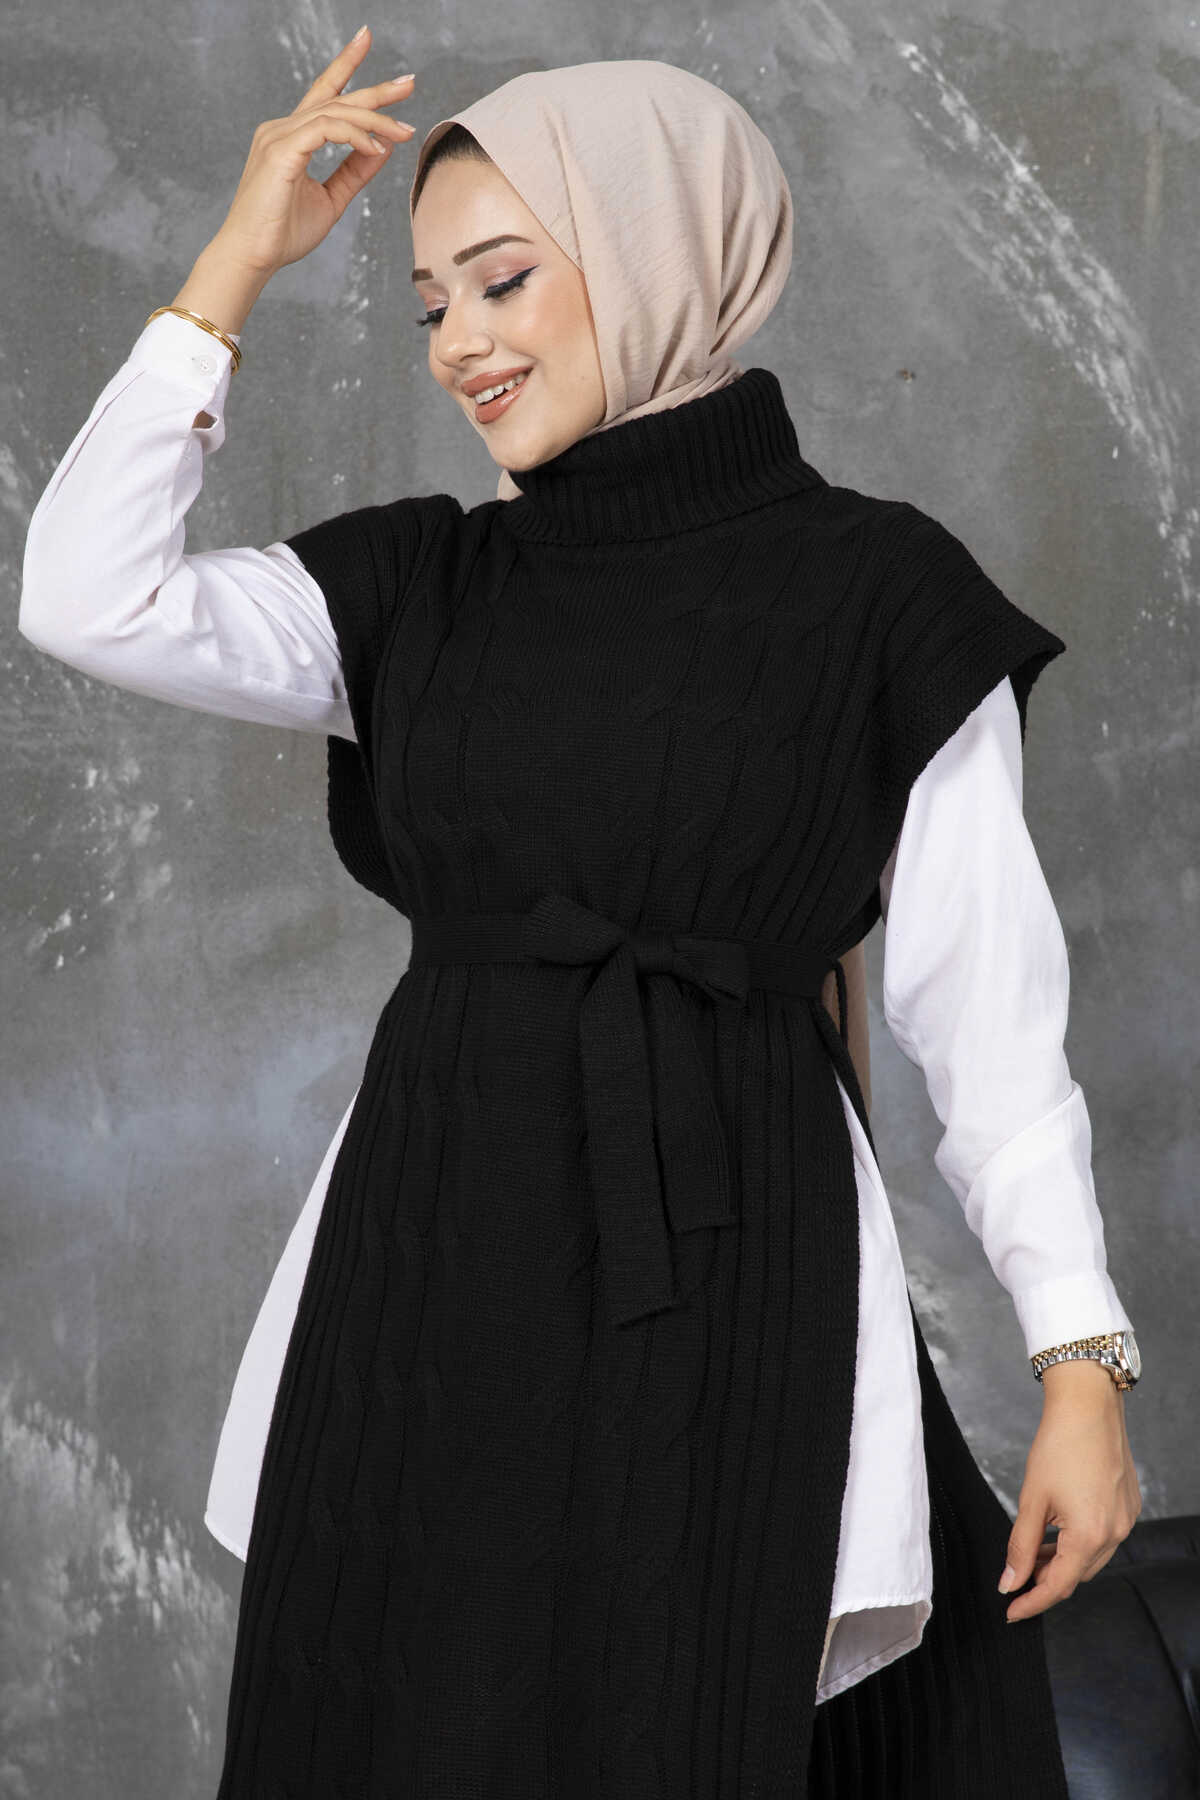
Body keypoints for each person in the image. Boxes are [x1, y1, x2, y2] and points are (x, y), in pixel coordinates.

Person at [18, 30, 1142, 1797]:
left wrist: (1079, 1365)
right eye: (427, 306)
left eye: (504, 280)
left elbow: (988, 1028)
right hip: (427, 1265)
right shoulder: (421, 582)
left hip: (734, 1255)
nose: (459, 343)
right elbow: (87, 596)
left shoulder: (882, 595)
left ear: (660, 249)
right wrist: (234, 263)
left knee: (685, 1722)